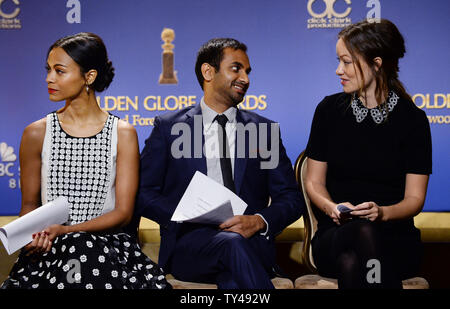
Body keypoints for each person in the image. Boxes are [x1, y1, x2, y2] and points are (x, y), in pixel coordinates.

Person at [1, 32, 170, 289]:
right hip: (51, 250)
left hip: (108, 246)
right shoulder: (36, 133)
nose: (49, 78)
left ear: (89, 76)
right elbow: (29, 206)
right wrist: (34, 237)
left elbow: (123, 213)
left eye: (59, 71)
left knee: (84, 247)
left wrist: (68, 230)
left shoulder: (122, 133)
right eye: (48, 70)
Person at [133, 38, 303, 289]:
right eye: (236, 69)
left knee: (233, 276)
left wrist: (258, 220)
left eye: (247, 71)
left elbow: (290, 198)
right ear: (208, 72)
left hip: (250, 241)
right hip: (190, 245)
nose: (245, 78)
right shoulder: (169, 128)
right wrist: (186, 213)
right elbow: (143, 194)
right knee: (231, 246)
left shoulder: (263, 131)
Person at [304, 19, 432, 289]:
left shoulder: (413, 120)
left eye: (347, 62)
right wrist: (333, 208)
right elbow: (314, 182)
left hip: (394, 237)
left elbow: (414, 198)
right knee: (359, 236)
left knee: (352, 261)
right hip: (336, 234)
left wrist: (381, 213)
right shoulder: (328, 111)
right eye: (339, 61)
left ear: (376, 63)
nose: (339, 70)